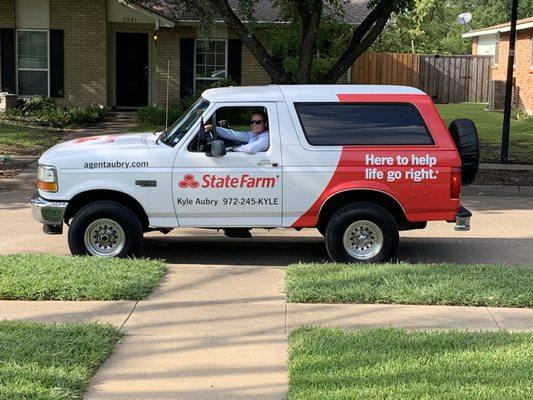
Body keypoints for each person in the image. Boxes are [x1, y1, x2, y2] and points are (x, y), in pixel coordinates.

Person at [205, 111, 269, 154]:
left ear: (265, 124)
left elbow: (250, 149)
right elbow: (235, 135)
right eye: (252, 122)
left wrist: (235, 149)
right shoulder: (254, 134)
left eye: (258, 122)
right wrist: (214, 128)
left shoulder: (266, 138)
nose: (254, 124)